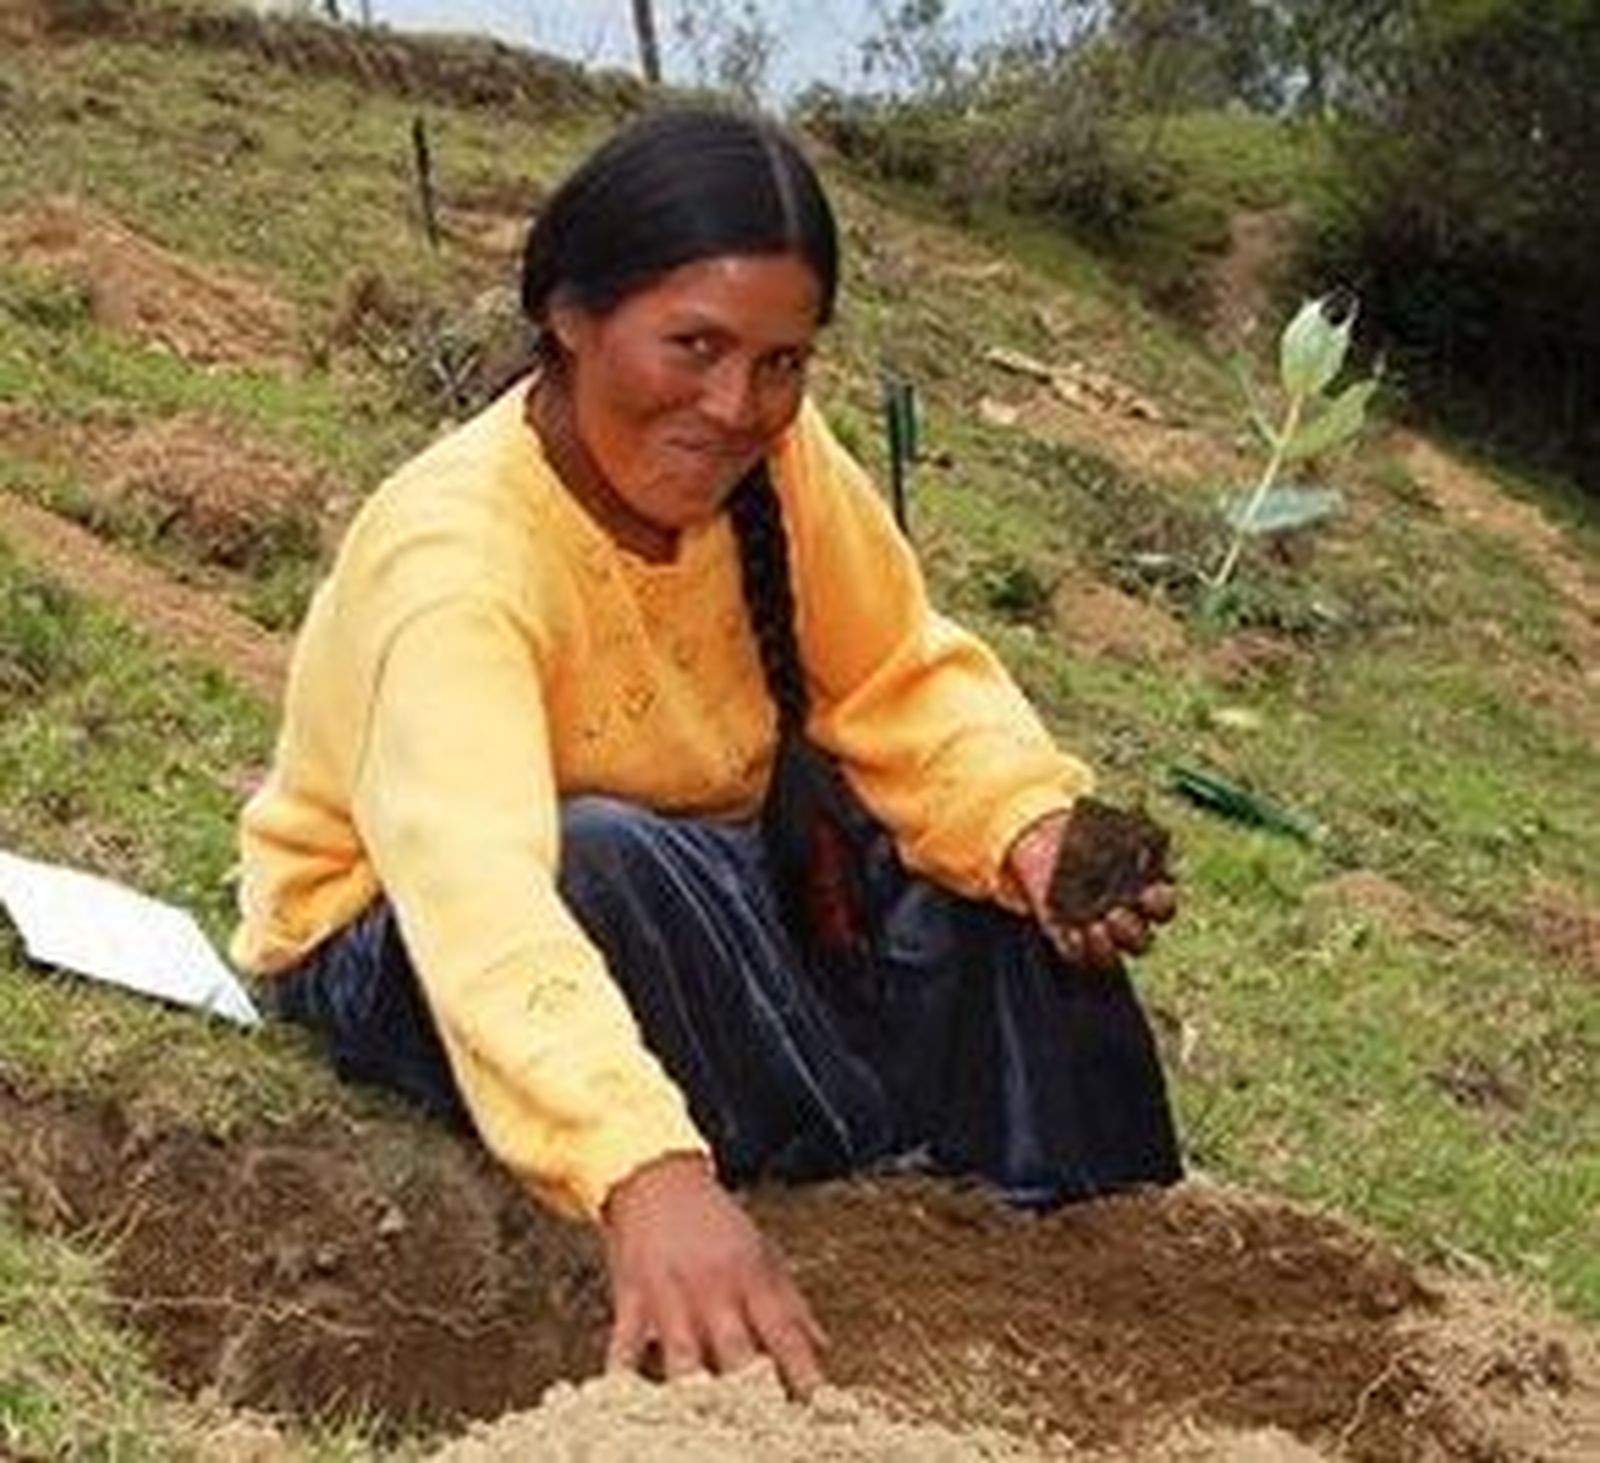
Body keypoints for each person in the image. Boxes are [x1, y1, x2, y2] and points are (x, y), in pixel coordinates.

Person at [232, 107, 1182, 1398]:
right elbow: (483, 899)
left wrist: (1028, 825)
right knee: (604, 859)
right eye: (693, 346)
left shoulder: (780, 462)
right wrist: (642, 1174)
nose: (737, 405)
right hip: (416, 942)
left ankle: (1108, 1251)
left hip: (703, 878)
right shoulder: (455, 561)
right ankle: (842, 1190)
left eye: (782, 362)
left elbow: (900, 677)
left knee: (981, 868)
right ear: (570, 316)